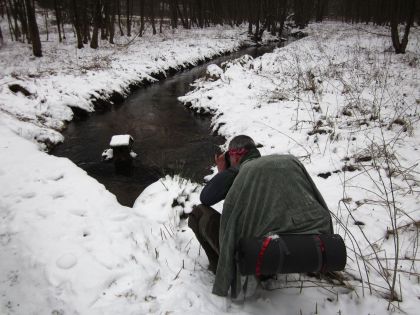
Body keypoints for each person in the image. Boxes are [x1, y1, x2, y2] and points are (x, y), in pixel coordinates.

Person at [188, 135, 333, 297]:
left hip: (255, 255)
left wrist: (225, 171)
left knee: (197, 213)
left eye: (229, 156)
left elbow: (206, 198)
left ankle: (219, 267)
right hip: (294, 245)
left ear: (235, 155)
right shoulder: (289, 162)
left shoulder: (242, 171)